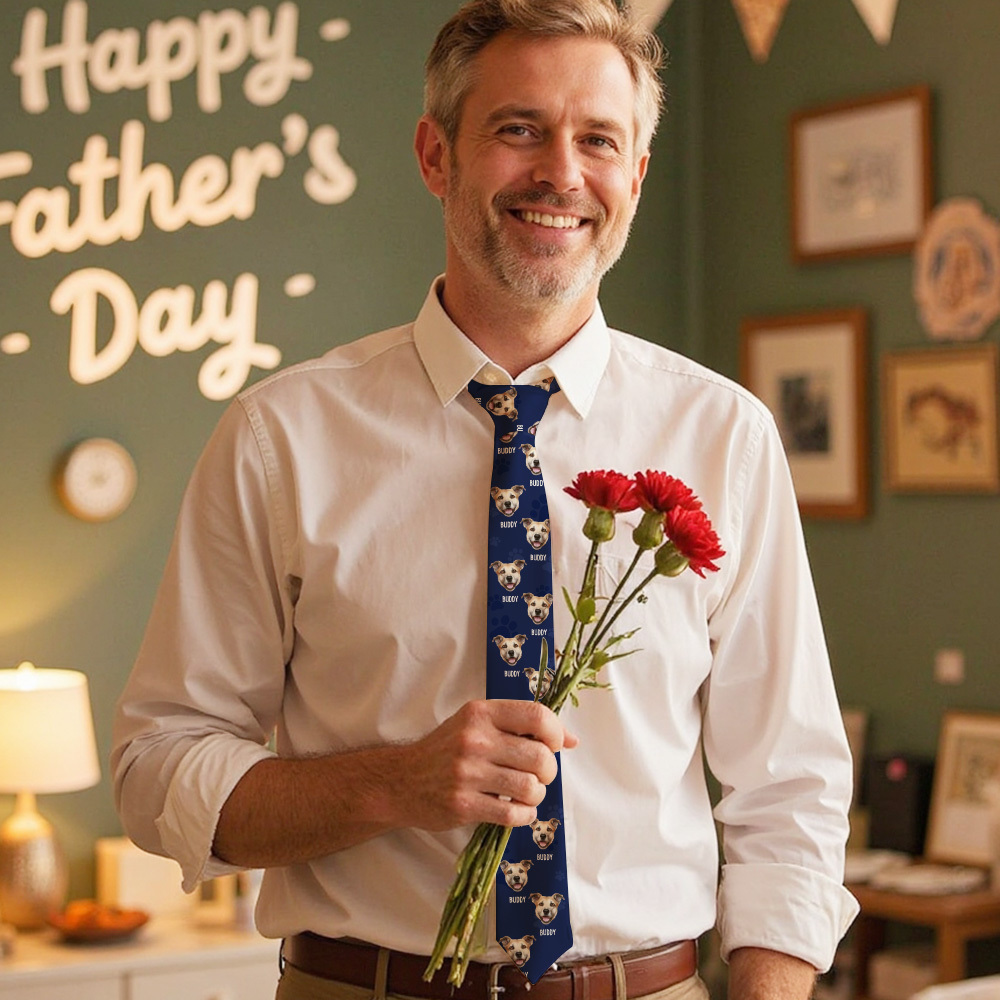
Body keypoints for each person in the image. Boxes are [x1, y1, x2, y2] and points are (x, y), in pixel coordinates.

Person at [112, 2, 858, 998]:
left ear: (633, 177)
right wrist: (394, 782)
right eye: (518, 129)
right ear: (435, 155)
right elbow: (158, 768)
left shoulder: (723, 436)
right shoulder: (277, 436)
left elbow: (790, 789)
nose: (560, 171)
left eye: (599, 139)